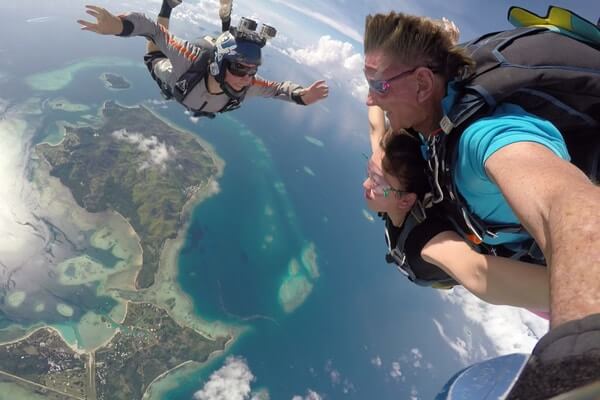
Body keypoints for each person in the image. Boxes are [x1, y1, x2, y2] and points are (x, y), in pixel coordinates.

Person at [363, 8, 600, 398]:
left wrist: (578, 362)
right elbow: (374, 120)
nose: (372, 96)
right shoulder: (422, 127)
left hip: (558, 277)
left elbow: (564, 201)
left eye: (381, 87)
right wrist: (382, 94)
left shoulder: (485, 140)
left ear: (423, 84)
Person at [365, 105, 549, 312]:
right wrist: (377, 89)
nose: (366, 184)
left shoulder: (426, 239)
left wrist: (579, 292)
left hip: (531, 274)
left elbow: (476, 272)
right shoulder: (392, 182)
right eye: (370, 172)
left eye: (376, 182)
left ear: (406, 201)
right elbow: (375, 128)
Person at [77, 0, 329, 119]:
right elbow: (154, 30)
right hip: (185, 69)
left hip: (204, 74)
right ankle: (168, 5)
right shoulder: (189, 58)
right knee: (155, 52)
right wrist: (119, 26)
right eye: (241, 69)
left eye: (253, 71)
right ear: (220, 65)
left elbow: (277, 89)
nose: (247, 78)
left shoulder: (247, 84)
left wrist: (302, 96)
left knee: (227, 47)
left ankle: (225, 22)